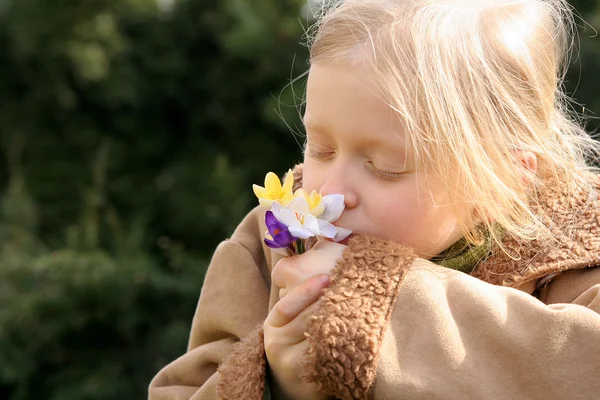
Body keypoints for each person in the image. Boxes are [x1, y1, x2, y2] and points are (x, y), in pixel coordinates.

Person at [149, 0, 600, 398]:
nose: (329, 192)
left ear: (504, 176)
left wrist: (383, 303)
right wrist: (278, 384)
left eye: (387, 166)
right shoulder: (273, 238)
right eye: (321, 149)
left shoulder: (578, 253)